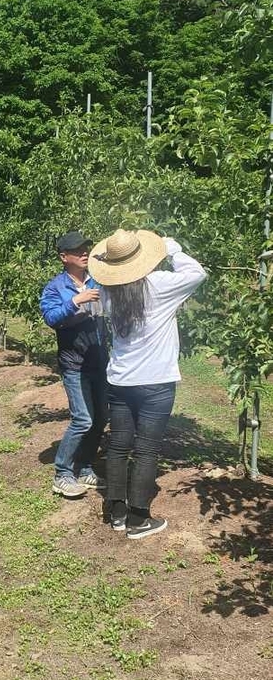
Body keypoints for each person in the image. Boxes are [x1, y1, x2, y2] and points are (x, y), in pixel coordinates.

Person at [88, 230, 207, 539]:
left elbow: (98, 293)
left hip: (121, 380)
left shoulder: (108, 291)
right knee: (146, 450)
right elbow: (197, 274)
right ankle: (139, 519)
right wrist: (173, 249)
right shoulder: (160, 284)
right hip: (156, 381)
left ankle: (117, 512)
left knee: (118, 446)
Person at [40, 231, 108, 499]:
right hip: (74, 363)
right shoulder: (55, 287)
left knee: (100, 418)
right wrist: (75, 301)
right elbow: (51, 318)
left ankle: (84, 467)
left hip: (99, 361)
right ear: (63, 256)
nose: (84, 253)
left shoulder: (97, 280)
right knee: (83, 419)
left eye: (86, 249)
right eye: (78, 250)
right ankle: (63, 473)